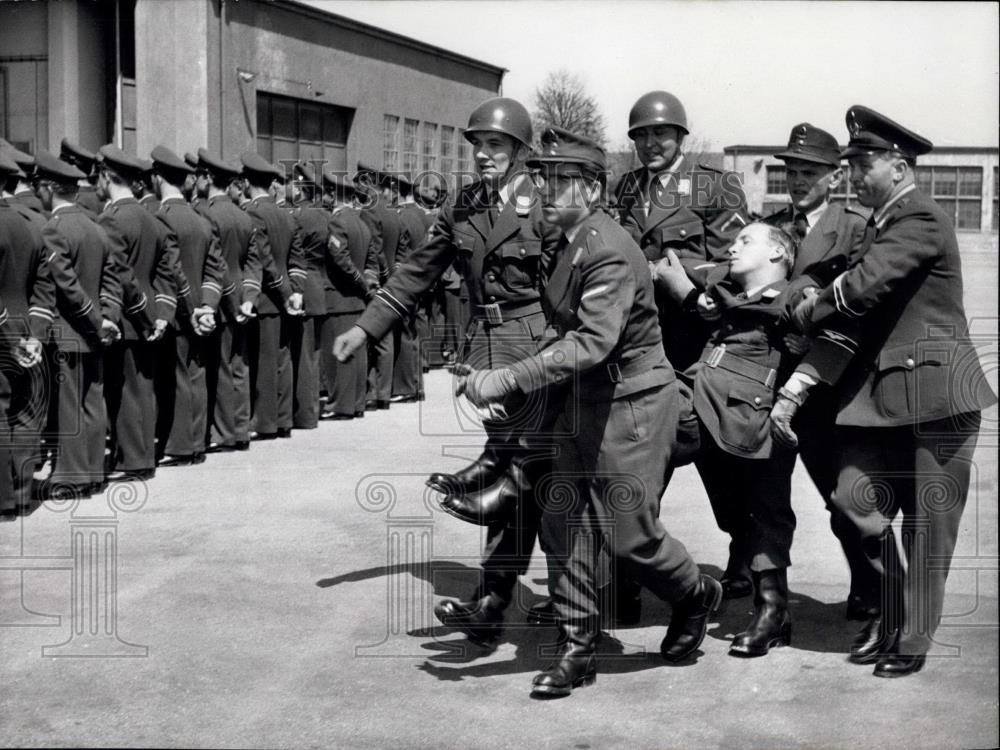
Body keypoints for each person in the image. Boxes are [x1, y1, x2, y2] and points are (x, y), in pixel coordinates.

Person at [462, 127, 721, 698]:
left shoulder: (607, 247)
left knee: (631, 537)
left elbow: (591, 343)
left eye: (562, 181)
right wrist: (517, 382)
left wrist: (508, 375)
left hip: (631, 405)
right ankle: (577, 646)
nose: (547, 190)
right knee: (562, 522)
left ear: (595, 188)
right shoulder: (563, 240)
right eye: (543, 178)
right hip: (581, 404)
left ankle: (695, 594)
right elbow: (558, 332)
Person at [771, 105, 996, 677]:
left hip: (940, 397)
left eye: (863, 162)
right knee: (852, 499)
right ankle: (892, 607)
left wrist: (808, 309)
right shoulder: (881, 223)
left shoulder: (919, 217)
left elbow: (863, 288)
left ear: (898, 166)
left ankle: (913, 639)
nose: (853, 173)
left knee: (928, 527)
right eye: (850, 163)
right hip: (884, 399)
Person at [333, 97, 562, 645]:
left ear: (522, 151)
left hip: (535, 349)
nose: (484, 155)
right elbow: (417, 271)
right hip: (487, 346)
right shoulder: (463, 204)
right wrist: (366, 328)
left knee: (532, 478)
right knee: (522, 477)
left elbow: (567, 288)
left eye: (496, 145)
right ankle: (505, 598)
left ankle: (547, 595)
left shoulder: (547, 204)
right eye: (478, 145)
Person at [655, 222, 802, 656]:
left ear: (777, 254)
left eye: (745, 241)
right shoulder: (724, 284)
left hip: (753, 422)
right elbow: (694, 275)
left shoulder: (793, 299)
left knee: (765, 510)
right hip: (699, 403)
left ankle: (773, 613)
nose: (732, 247)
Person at [759, 123, 873, 615]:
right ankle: (770, 607)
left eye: (810, 171)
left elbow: (857, 305)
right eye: (793, 171)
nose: (799, 180)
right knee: (766, 495)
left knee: (839, 496)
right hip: (773, 375)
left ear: (834, 176)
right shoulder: (770, 226)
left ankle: (869, 584)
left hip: (830, 383)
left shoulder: (855, 227)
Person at [614, 91, 748, 372]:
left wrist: (690, 289)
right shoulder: (625, 188)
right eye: (640, 135)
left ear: (680, 136)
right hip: (633, 332)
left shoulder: (715, 186)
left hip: (691, 333)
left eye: (659, 133)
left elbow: (733, 266)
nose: (649, 144)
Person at [32, 151, 121, 498]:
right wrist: (109, 317)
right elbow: (112, 278)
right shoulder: (96, 226)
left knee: (69, 405)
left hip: (71, 331)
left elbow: (67, 288)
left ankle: (71, 477)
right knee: (92, 403)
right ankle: (94, 472)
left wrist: (98, 322)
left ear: (50, 189)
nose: (38, 193)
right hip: (97, 331)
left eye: (40, 186)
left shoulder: (54, 229)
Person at [96, 144, 176, 481]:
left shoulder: (111, 220)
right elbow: (166, 271)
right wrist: (161, 315)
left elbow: (121, 275)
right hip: (149, 318)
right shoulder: (152, 218)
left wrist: (144, 316)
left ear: (105, 177)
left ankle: (134, 459)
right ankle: (141, 454)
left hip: (128, 317)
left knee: (124, 389)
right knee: (143, 387)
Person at [150, 145, 226, 466]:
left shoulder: (161, 218)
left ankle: (181, 445)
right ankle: (197, 443)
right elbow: (215, 269)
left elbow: (171, 269)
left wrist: (192, 308)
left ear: (157, 178)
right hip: (201, 312)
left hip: (177, 311)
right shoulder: (201, 219)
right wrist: (207, 306)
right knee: (197, 373)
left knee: (176, 377)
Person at [194, 149, 261, 452]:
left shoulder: (205, 214)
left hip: (219, 299)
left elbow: (215, 264)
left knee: (219, 368)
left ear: (207, 178)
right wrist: (248, 298)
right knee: (239, 365)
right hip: (240, 299)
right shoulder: (244, 216)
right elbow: (253, 263)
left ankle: (224, 433)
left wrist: (227, 303)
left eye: (199, 176)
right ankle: (241, 429)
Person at [0, 151, 54, 511]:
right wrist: (32, 335)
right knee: (23, 411)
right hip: (24, 328)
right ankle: (19, 494)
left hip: (4, 329)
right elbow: (43, 289)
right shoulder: (31, 225)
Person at [240, 152, 304, 440]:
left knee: (265, 362)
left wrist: (284, 292)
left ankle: (266, 422)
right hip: (286, 297)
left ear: (247, 182)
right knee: (283, 359)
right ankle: (283, 419)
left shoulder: (253, 213)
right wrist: (294, 293)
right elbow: (296, 260)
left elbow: (263, 261)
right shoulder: (286, 215)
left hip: (268, 297)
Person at [319, 170, 379, 420]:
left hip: (341, 296)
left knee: (339, 353)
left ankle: (341, 405)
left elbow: (340, 258)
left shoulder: (338, 221)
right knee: (358, 354)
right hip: (358, 299)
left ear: (333, 194)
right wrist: (367, 284)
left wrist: (359, 283)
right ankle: (356, 402)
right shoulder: (362, 223)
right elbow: (373, 260)